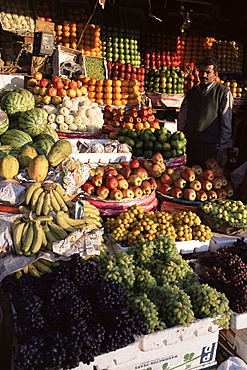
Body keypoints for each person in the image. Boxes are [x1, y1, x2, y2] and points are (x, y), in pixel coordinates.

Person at [177, 56, 233, 168]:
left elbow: (226, 125)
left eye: (208, 72)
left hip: (210, 147)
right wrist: (181, 140)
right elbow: (182, 119)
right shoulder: (192, 93)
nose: (204, 75)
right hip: (191, 144)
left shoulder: (223, 93)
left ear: (215, 74)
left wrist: (221, 151)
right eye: (201, 72)